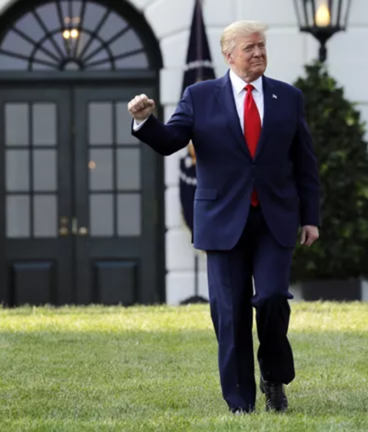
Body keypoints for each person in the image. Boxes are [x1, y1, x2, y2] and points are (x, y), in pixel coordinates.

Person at [127, 20, 321, 415]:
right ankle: (240, 403)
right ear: (228, 54)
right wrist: (145, 122)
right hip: (221, 219)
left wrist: (311, 216)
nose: (259, 53)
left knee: (272, 298)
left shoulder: (288, 97)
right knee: (230, 313)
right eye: (250, 48)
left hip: (275, 218)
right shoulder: (200, 96)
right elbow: (171, 141)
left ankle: (274, 376)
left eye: (262, 46)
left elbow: (305, 163)